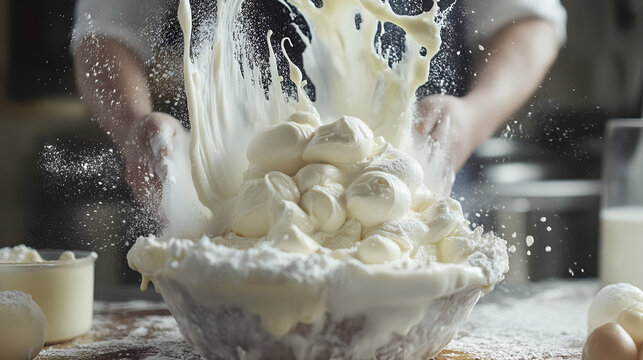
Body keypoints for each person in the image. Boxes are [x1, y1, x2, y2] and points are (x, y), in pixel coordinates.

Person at [71, 0, 567, 204]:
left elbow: (529, 18)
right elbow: (105, 27)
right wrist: (134, 123)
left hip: (418, 204)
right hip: (220, 210)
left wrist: (473, 116)